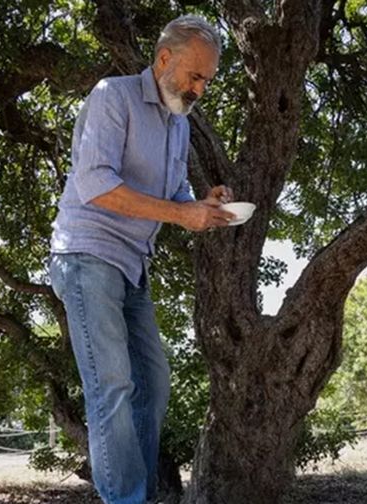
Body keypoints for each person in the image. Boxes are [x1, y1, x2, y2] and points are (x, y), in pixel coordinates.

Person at [48, 14, 233, 504]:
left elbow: (173, 193)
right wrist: (179, 211)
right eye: (193, 75)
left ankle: (140, 494)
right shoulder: (113, 95)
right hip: (87, 255)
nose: (198, 89)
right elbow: (96, 183)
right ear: (164, 58)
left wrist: (204, 204)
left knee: (152, 383)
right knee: (112, 382)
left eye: (206, 80)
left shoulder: (179, 124)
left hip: (133, 265)